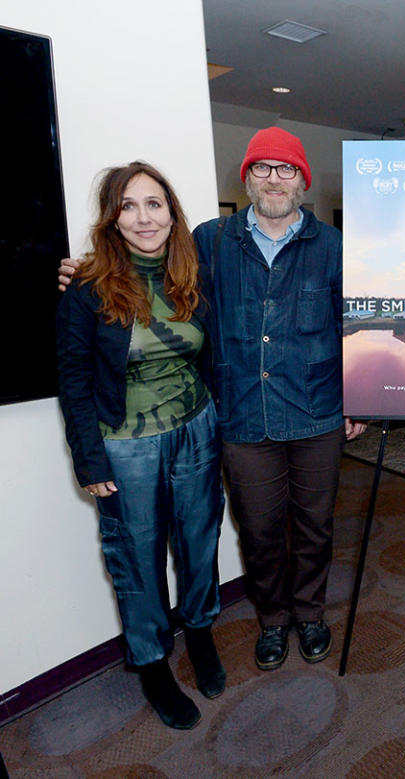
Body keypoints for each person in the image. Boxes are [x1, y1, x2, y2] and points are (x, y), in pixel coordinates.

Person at [60, 127, 365, 672]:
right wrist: (79, 274)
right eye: (263, 168)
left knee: (316, 526)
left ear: (302, 180)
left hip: (318, 412)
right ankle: (273, 620)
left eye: (286, 169)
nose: (274, 179)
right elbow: (147, 269)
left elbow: (357, 329)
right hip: (241, 414)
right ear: (246, 178)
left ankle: (310, 613)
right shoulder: (210, 240)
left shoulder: (335, 247)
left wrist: (361, 398)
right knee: (260, 529)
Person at [57, 162, 225, 730]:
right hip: (124, 447)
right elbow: (73, 378)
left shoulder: (191, 274)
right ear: (112, 218)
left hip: (197, 429)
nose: (144, 217)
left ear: (171, 212)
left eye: (154, 204)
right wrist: (88, 457)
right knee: (138, 562)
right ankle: (153, 665)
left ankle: (200, 634)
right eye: (129, 206)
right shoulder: (85, 287)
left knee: (200, 543)